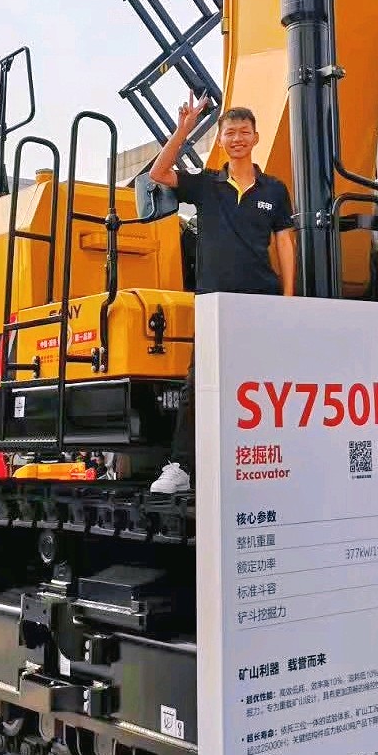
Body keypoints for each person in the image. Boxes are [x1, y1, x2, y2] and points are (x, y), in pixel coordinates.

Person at [148, 95, 295, 494]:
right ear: (221, 139)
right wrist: (183, 128)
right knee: (199, 383)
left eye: (244, 132)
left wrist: (288, 298)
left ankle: (266, 462)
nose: (237, 138)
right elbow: (159, 173)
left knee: (264, 384)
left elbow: (284, 243)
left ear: (256, 137)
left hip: (261, 300)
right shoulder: (207, 184)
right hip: (214, 301)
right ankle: (181, 467)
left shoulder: (274, 189)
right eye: (230, 133)